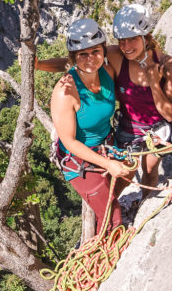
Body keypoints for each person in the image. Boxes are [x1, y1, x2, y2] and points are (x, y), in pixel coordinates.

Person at [38, 3, 172, 191]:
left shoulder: (166, 63)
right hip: (128, 128)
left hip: (157, 128)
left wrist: (154, 83)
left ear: (145, 37)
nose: (126, 47)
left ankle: (145, 203)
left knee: (150, 169)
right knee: (125, 174)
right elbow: (74, 62)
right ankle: (116, 207)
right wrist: (38, 64)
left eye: (132, 40)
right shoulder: (116, 55)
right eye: (122, 40)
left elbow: (170, 115)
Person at [49, 18, 133, 237]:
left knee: (128, 172)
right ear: (73, 58)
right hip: (79, 160)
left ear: (104, 50)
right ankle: (107, 255)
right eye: (82, 54)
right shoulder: (64, 91)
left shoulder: (107, 71)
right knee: (112, 213)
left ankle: (100, 221)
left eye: (95, 51)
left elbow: (134, 49)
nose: (90, 59)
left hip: (107, 144)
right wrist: (107, 164)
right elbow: (69, 142)